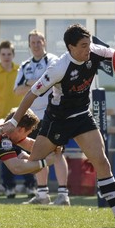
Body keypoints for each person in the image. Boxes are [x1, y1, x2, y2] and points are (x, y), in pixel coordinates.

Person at [1, 23, 115, 228]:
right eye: (82, 46)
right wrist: (14, 121)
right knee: (34, 162)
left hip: (82, 116)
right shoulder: (58, 68)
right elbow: (31, 94)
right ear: (70, 48)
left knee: (102, 162)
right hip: (58, 120)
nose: (87, 49)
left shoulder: (94, 52)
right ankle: (5, 149)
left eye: (88, 44)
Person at [14, 29, 70, 206]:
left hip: (53, 114)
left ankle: (63, 195)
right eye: (33, 43)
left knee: (58, 151)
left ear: (44, 42)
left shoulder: (53, 60)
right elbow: (17, 90)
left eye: (39, 42)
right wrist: (34, 83)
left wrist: (31, 83)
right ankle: (42, 194)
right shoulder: (25, 65)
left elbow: (51, 81)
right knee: (36, 153)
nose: (36, 46)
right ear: (29, 45)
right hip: (33, 118)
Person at [0, 40, 36, 199]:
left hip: (21, 120)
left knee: (26, 151)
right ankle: (9, 187)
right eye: (3, 54)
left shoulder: (20, 71)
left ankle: (31, 185)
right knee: (6, 152)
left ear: (13, 55)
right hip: (3, 120)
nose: (6, 57)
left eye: (9, 54)